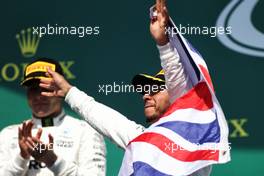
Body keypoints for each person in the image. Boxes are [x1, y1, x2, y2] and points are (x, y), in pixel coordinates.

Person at [37, 0, 214, 175]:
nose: (145, 96)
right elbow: (106, 118)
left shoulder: (191, 142)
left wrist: (164, 45)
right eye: (145, 91)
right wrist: (69, 91)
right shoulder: (142, 140)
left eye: (154, 90)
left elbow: (178, 86)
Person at [0, 58, 106, 176]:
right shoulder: (9, 134)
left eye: (45, 88)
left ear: (60, 89)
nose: (39, 96)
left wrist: (52, 160)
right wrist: (22, 157)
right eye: (33, 89)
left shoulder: (86, 131)